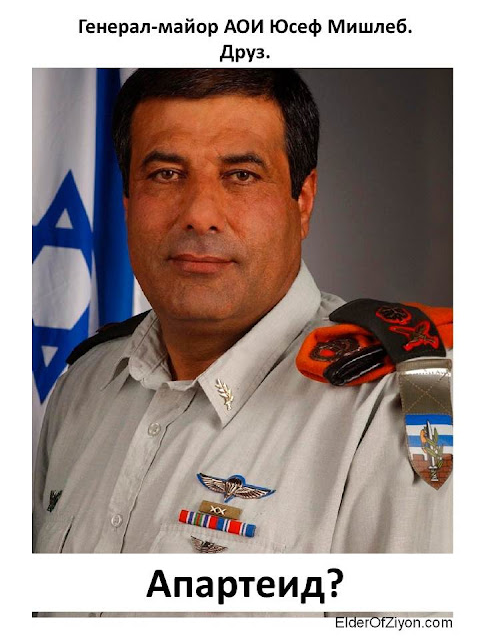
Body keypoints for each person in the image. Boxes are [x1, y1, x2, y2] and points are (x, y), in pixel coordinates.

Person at [33, 69, 452, 556]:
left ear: (303, 202)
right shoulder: (83, 386)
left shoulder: (393, 408)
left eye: (241, 176)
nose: (199, 214)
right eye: (166, 174)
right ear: (128, 202)